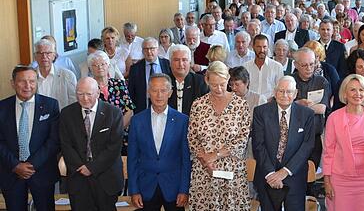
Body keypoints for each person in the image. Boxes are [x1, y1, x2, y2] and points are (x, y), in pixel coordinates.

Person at [187, 61, 250, 209]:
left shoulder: (240, 105)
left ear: (228, 79)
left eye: (222, 83)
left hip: (231, 171)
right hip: (204, 171)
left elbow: (242, 139)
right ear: (206, 80)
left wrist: (215, 155)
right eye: (214, 84)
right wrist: (206, 162)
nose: (219, 88)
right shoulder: (198, 105)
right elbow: (192, 138)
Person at [251, 76, 316, 211]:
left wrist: (285, 172)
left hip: (294, 176)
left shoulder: (307, 114)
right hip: (267, 176)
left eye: (289, 91)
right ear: (275, 92)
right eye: (281, 91)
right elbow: (258, 145)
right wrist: (271, 174)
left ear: (296, 93)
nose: (284, 95)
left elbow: (307, 146)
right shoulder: (260, 112)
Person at [0, 66, 60, 211]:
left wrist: (31, 165)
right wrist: (16, 165)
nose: (28, 86)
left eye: (32, 81)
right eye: (22, 81)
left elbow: (53, 141)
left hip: (42, 172)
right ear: (13, 83)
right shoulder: (2, 107)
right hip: (11, 172)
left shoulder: (50, 105)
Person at [127, 74, 191, 211]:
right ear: (148, 92)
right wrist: (134, 190)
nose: (159, 95)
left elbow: (186, 159)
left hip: (174, 188)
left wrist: (184, 189)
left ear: (170, 93)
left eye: (163, 90)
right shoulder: (137, 121)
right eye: (154, 90)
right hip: (146, 187)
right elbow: (132, 159)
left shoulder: (182, 121)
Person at [59, 77, 125, 210]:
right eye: (80, 94)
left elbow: (114, 147)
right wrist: (81, 166)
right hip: (78, 177)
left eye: (89, 94)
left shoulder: (113, 113)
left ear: (98, 92)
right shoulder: (67, 113)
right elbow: (65, 144)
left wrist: (92, 168)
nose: (84, 98)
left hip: (106, 178)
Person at [322, 74, 364, 211]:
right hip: (340, 179)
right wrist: (327, 181)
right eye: (352, 90)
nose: (358, 94)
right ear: (344, 94)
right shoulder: (334, 118)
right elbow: (329, 152)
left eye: (361, 90)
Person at [291, 48, 331, 166]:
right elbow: (282, 106)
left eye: (311, 64)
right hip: (292, 137)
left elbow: (322, 108)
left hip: (314, 135)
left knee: (311, 172)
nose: (309, 68)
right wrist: (299, 104)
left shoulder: (321, 81)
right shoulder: (290, 81)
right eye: (304, 65)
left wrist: (296, 106)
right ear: (296, 65)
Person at [88, 51, 136, 129]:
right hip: (100, 134)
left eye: (103, 64)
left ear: (108, 65)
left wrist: (118, 129)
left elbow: (129, 109)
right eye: (95, 65)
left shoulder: (119, 84)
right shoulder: (89, 88)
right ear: (90, 68)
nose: (100, 67)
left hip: (122, 131)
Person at [128, 38, 173, 113]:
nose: (149, 52)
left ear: (157, 49)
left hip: (165, 109)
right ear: (142, 51)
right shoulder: (135, 68)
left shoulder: (168, 65)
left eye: (152, 48)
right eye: (145, 49)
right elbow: (131, 93)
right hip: (142, 110)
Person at [33, 39, 77, 110]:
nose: (44, 56)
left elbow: (74, 102)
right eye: (40, 53)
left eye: (48, 53)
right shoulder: (30, 76)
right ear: (35, 56)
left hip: (61, 118)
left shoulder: (68, 76)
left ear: (54, 56)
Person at [167, 45, 210, 115]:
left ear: (190, 63)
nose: (180, 64)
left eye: (184, 60)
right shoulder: (163, 81)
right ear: (170, 62)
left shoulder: (200, 82)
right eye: (176, 60)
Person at [244, 34, 285, 101]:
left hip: (270, 104)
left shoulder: (277, 67)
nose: (262, 50)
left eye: (264, 47)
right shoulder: (246, 67)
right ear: (253, 47)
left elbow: (280, 89)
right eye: (258, 47)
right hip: (250, 104)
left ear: (268, 47)